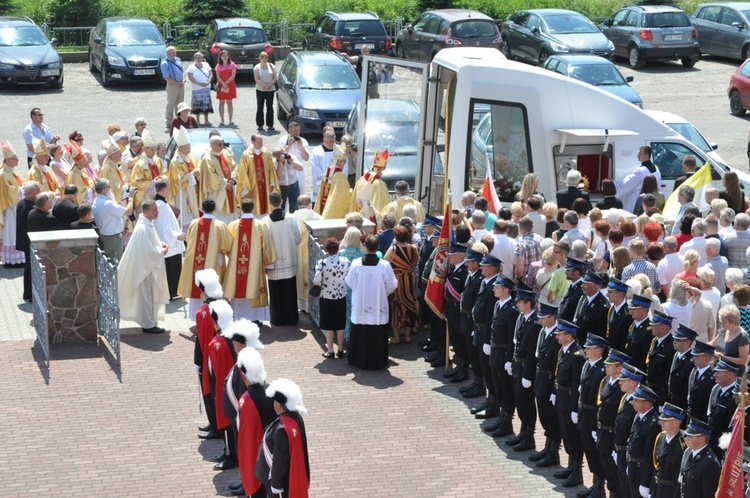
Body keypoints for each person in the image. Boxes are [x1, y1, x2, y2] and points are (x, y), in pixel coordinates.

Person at [117, 200, 170, 334]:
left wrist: (161, 244)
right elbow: (147, 251)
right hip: (146, 271)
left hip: (148, 268)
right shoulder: (143, 228)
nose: (157, 212)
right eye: (155, 210)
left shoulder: (147, 224)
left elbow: (151, 244)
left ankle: (150, 322)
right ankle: (148, 325)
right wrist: (162, 251)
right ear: (146, 212)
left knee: (148, 297)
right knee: (146, 297)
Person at [346, 235, 397, 370]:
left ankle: (358, 360)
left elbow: (349, 282)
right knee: (377, 334)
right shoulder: (384, 265)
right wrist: (383, 293)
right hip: (378, 306)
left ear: (365, 247)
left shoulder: (356, 263)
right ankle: (378, 361)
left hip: (361, 306)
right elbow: (392, 285)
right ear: (378, 247)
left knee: (361, 333)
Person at [177, 199, 233, 319]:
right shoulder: (219, 225)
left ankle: (195, 316)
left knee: (196, 286)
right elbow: (228, 245)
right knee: (212, 287)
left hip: (195, 263)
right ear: (215, 210)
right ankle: (212, 318)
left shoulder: (194, 223)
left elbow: (189, 240)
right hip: (213, 263)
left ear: (201, 209)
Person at [255, 378, 310, 498]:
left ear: (279, 406)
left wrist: (276, 485)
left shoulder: (281, 429)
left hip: (279, 485)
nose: (273, 405)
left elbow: (280, 460)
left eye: (275, 402)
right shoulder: (296, 418)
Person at [224, 199, 276, 323]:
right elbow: (267, 246)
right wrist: (269, 264)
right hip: (255, 268)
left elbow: (227, 246)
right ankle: (255, 318)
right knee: (254, 287)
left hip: (237, 267)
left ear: (241, 209)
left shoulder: (232, 225)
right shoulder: (260, 225)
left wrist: (234, 258)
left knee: (238, 288)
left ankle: (239, 316)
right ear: (253, 209)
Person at [235, 347, 276, 498]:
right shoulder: (273, 391)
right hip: (275, 460)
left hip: (258, 463)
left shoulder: (246, 400)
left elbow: (247, 440)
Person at [551, 319, 586, 488]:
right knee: (566, 434)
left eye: (560, 334)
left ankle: (577, 472)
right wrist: (554, 392)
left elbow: (576, 385)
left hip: (569, 399)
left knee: (573, 437)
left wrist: (574, 408)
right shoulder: (564, 350)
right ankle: (571, 466)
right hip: (562, 397)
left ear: (568, 336)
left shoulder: (577, 356)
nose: (557, 336)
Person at [262, 192, 302, 327]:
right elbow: (298, 239)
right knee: (289, 290)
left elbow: (264, 244)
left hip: (273, 264)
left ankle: (277, 319)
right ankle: (291, 318)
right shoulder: (290, 218)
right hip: (289, 260)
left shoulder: (265, 221)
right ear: (282, 201)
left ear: (269, 203)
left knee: (275, 292)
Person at [314, 238, 350, 358]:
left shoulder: (322, 262)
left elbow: (316, 280)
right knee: (340, 324)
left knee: (329, 325)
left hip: (326, 296)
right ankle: (340, 349)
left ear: (326, 249)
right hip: (341, 295)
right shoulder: (345, 261)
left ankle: (330, 350)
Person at [384, 225, 418, 344]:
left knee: (396, 308)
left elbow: (385, 262)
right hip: (409, 281)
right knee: (410, 306)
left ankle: (396, 337)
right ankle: (408, 336)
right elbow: (416, 262)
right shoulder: (414, 248)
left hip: (397, 282)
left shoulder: (393, 249)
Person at [626, 384, 661, 498]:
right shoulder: (639, 416)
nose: (632, 402)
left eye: (636, 400)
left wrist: (645, 483)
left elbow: (649, 457)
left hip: (641, 471)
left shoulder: (653, 424)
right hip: (633, 467)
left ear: (646, 404)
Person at [151, 180, 184, 300]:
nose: (170, 191)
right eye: (169, 189)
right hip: (170, 244)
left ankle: (171, 292)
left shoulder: (159, 203)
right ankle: (172, 292)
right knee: (171, 269)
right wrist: (177, 235)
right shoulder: (162, 206)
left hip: (167, 242)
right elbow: (165, 228)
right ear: (164, 190)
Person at [92, 179, 135, 262]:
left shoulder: (96, 201)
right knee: (116, 266)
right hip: (112, 240)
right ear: (104, 189)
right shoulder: (107, 203)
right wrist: (131, 198)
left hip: (106, 237)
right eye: (109, 187)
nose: (110, 189)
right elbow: (128, 211)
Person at [200, 134, 238, 225]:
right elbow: (211, 176)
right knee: (220, 219)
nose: (222, 146)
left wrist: (233, 178)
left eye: (222, 144)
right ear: (212, 145)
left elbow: (234, 166)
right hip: (218, 193)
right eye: (220, 144)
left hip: (230, 190)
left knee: (232, 218)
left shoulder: (226, 153)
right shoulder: (207, 158)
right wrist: (225, 184)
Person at [237, 134, 279, 217]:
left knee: (266, 207)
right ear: (253, 142)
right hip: (253, 187)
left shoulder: (266, 152)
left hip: (266, 186)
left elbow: (271, 169)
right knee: (255, 207)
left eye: (262, 141)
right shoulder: (246, 155)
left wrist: (272, 183)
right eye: (259, 142)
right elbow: (243, 173)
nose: (261, 144)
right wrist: (246, 189)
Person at [292, 195, 321, 314]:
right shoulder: (317, 218)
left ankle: (302, 306)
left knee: (299, 277)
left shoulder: (292, 218)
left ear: (298, 205)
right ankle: (312, 307)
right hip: (312, 254)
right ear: (310, 204)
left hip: (297, 254)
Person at [168, 127, 200, 232]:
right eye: (187, 147)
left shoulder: (190, 157)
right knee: (185, 220)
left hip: (193, 191)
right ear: (180, 148)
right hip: (183, 194)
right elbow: (177, 180)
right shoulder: (175, 161)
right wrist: (192, 175)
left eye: (189, 146)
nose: (189, 149)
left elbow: (198, 165)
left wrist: (198, 171)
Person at [679, 418, 721, 498]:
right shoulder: (687, 452)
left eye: (690, 436)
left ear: (702, 439)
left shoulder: (710, 462)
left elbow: (709, 494)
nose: (686, 438)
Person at [615, 146, 661, 213]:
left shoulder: (640, 171)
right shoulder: (656, 168)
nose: (637, 155)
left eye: (639, 154)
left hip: (638, 202)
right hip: (652, 201)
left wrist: (612, 184)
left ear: (646, 155)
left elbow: (627, 184)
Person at [0, 141, 25, 267]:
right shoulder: (3, 174)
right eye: (15, 159)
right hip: (9, 209)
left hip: (15, 206)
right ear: (8, 160)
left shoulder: (13, 172)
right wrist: (23, 190)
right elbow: (9, 192)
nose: (18, 161)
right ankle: (11, 260)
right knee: (11, 232)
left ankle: (18, 258)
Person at [315, 144, 349, 219]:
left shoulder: (326, 172)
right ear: (339, 162)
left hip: (324, 204)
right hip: (331, 207)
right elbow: (343, 195)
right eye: (344, 161)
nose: (345, 163)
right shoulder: (340, 176)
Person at [279, 121, 310, 195]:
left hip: (298, 174)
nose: (297, 133)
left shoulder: (303, 141)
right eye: (295, 130)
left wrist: (301, 146)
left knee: (300, 197)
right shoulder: (283, 140)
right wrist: (289, 145)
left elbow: (306, 158)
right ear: (289, 130)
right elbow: (279, 155)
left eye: (298, 130)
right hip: (286, 174)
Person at [310, 130, 336, 208]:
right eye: (330, 141)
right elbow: (315, 169)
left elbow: (344, 167)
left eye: (333, 141)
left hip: (335, 185)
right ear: (324, 140)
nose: (332, 143)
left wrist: (335, 180)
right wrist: (326, 181)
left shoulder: (338, 150)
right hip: (321, 186)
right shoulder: (317, 151)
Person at [186, 51, 213, 126]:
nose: (199, 59)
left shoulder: (206, 65)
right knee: (197, 105)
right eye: (197, 58)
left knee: (206, 104)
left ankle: (206, 120)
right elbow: (190, 77)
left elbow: (211, 74)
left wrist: (208, 81)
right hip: (196, 89)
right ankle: (197, 121)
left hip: (206, 88)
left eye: (200, 58)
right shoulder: (191, 66)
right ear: (194, 58)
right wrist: (199, 83)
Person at [273, 147, 303, 213]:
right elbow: (278, 175)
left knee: (294, 207)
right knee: (281, 207)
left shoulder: (291, 157)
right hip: (281, 187)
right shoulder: (274, 162)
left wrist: (292, 162)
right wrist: (280, 163)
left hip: (293, 186)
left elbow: (301, 168)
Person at [161, 46, 185, 128]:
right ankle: (169, 121)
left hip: (181, 85)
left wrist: (184, 80)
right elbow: (166, 77)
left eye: (175, 51)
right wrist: (175, 83)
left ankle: (179, 120)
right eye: (173, 51)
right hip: (172, 85)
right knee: (171, 103)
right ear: (168, 53)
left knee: (180, 103)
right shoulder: (164, 63)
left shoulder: (178, 60)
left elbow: (183, 71)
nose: (175, 52)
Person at [65, 141, 95, 205]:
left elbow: (90, 181)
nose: (87, 162)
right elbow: (78, 193)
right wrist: (90, 190)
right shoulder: (73, 175)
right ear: (78, 163)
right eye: (84, 161)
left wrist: (92, 186)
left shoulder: (83, 170)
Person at [253, 51, 277, 131]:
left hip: (270, 90)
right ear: (259, 58)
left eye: (265, 57)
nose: (264, 59)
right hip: (260, 89)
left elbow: (275, 78)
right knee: (260, 107)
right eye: (262, 57)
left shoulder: (272, 66)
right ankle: (260, 125)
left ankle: (270, 125)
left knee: (270, 107)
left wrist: (269, 85)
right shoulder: (257, 67)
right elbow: (257, 79)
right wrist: (264, 85)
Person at [215, 50, 237, 126]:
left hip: (230, 85)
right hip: (221, 85)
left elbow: (233, 76)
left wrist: (225, 83)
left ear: (228, 56)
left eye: (226, 56)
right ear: (220, 57)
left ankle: (230, 120)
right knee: (221, 103)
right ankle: (222, 120)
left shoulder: (232, 65)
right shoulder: (218, 66)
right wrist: (223, 84)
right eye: (223, 56)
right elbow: (218, 77)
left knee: (229, 102)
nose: (224, 57)